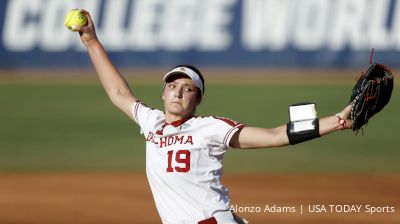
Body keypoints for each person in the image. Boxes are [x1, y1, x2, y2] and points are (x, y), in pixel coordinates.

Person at [75, 10, 352, 224]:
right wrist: (91, 42)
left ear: (197, 99)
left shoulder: (211, 127)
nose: (178, 93)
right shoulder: (152, 122)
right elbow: (118, 92)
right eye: (172, 86)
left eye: (188, 89)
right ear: (162, 93)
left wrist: (338, 121)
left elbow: (274, 135)